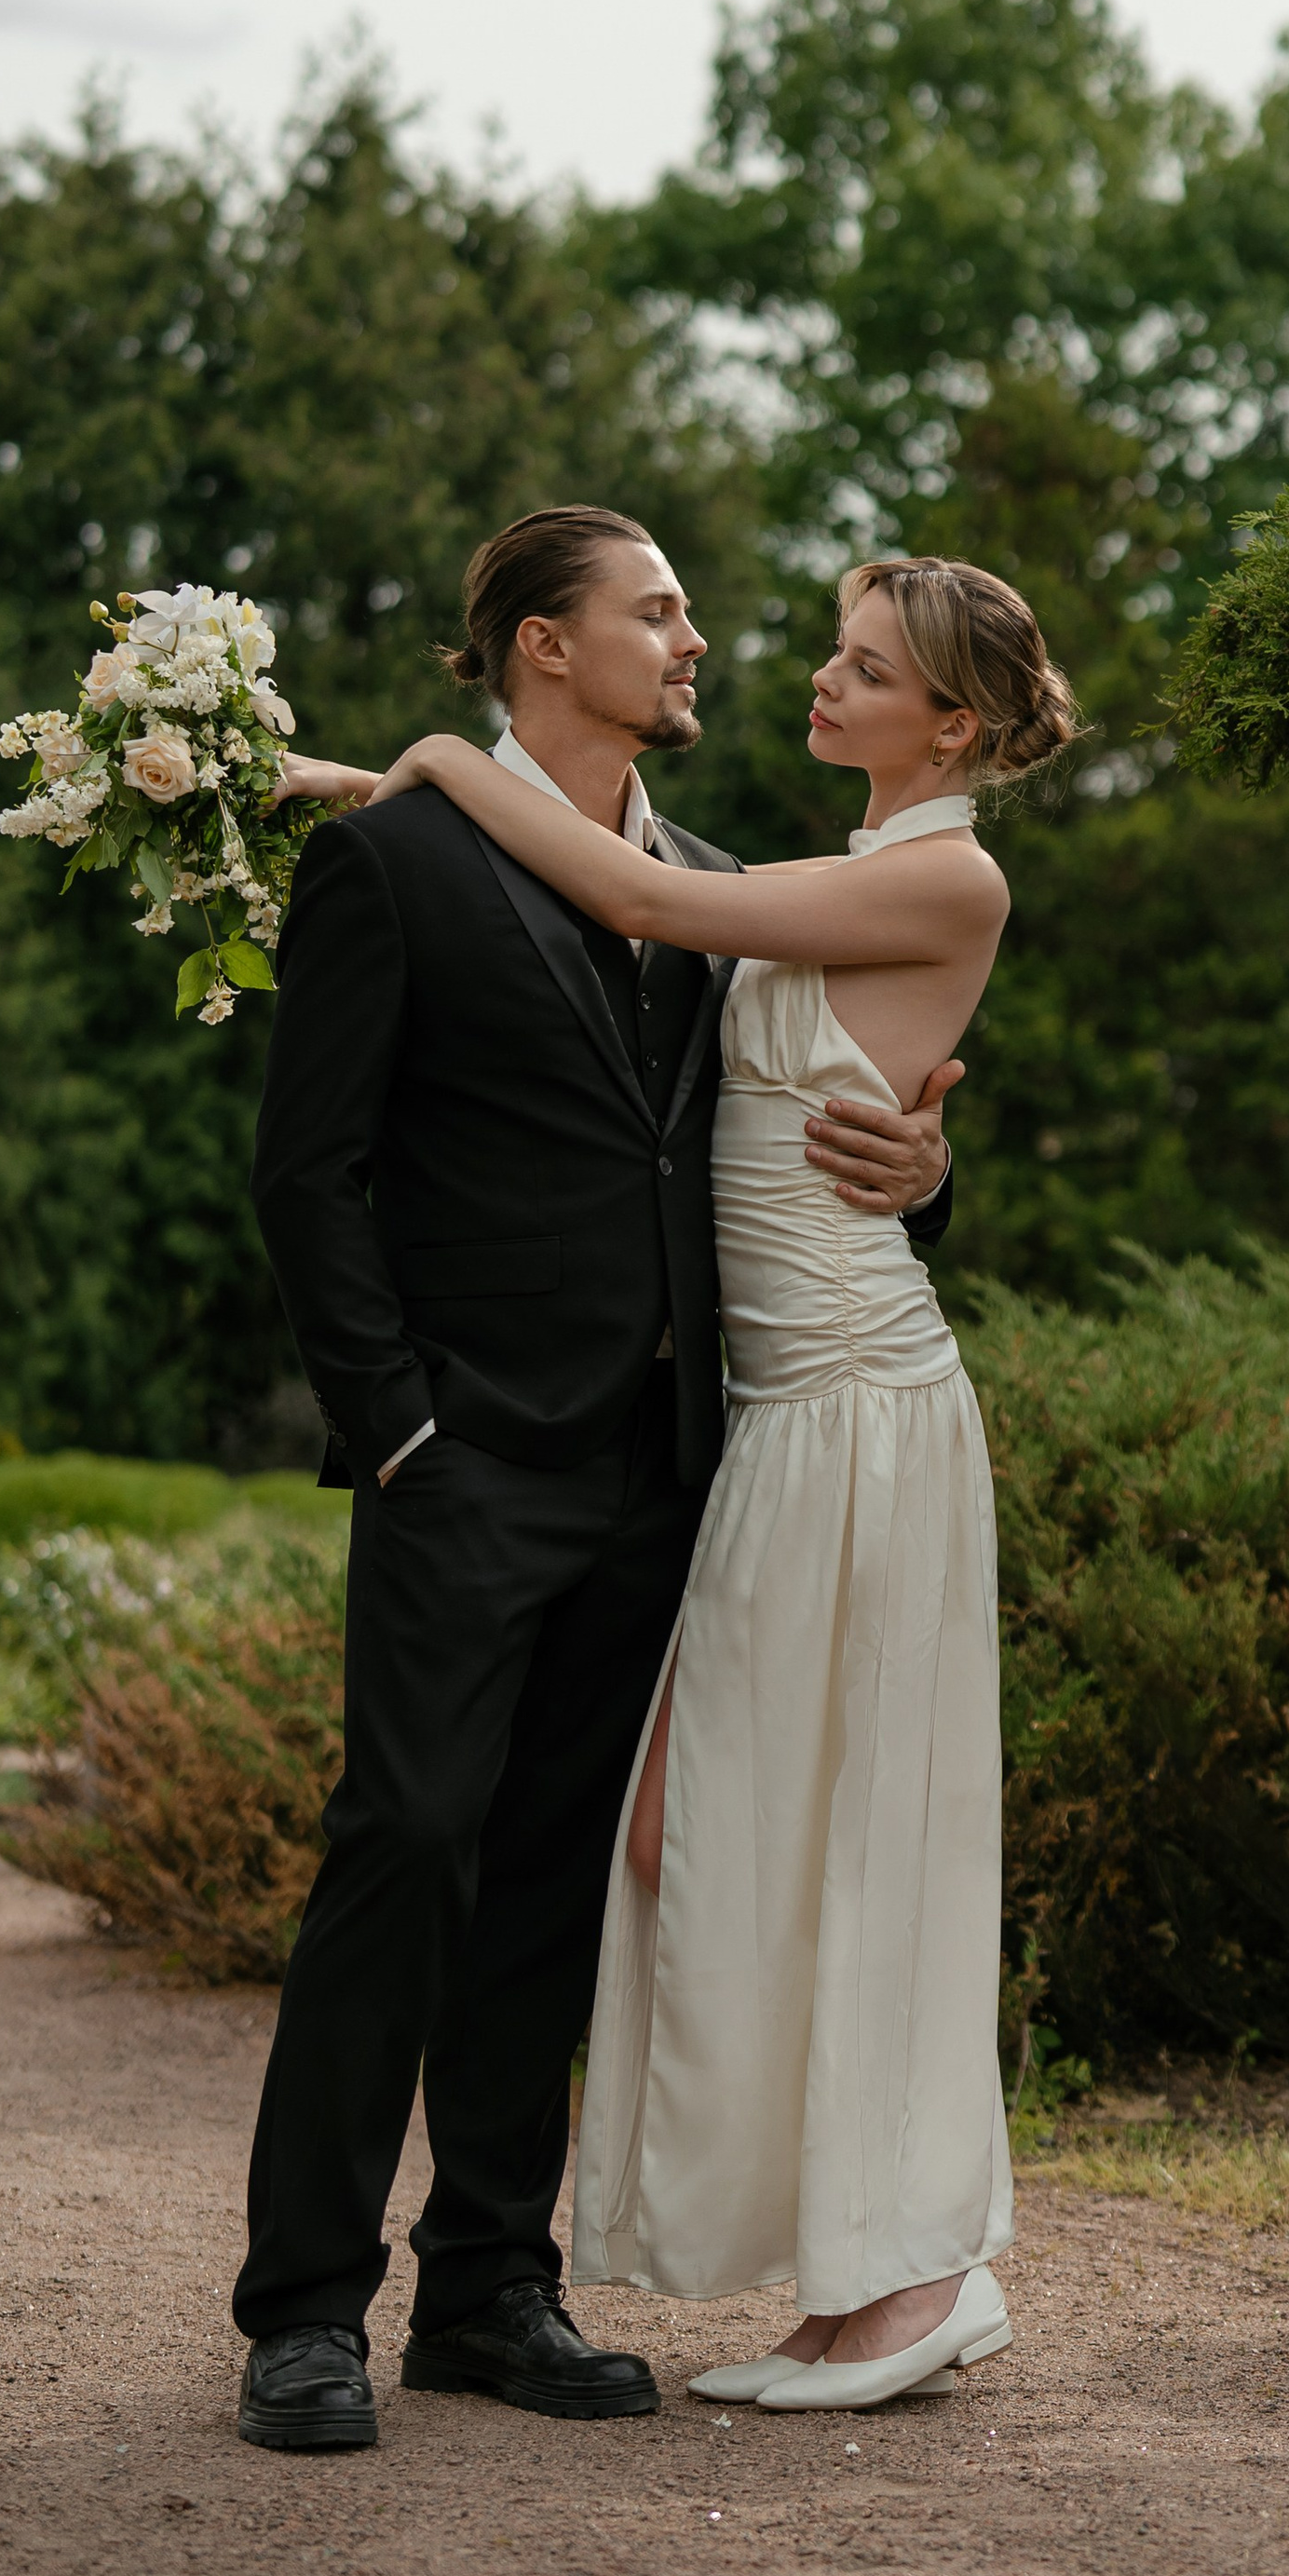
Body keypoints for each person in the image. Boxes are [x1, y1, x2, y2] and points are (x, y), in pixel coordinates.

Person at [233, 507, 957, 2452]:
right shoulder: (390, 864)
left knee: (554, 1883)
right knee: (404, 1847)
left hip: (670, 1468)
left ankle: (488, 2287)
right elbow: (309, 1174)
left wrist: (924, 1175)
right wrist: (398, 1427)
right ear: (542, 645)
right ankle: (302, 2308)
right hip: (464, 1462)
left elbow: (809, 1135)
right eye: (656, 611)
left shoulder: (715, 888)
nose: (694, 639)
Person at [359, 551, 1077, 2408]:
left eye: (865, 669)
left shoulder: (951, 872)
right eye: (837, 654)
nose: (820, 682)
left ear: (955, 724)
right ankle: (851, 2271)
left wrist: (433, 761)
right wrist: (366, 800)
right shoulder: (835, 869)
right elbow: (591, 888)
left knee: (854, 1835)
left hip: (859, 1405)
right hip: (767, 1424)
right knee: (697, 1835)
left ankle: (916, 2280)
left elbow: (633, 894)